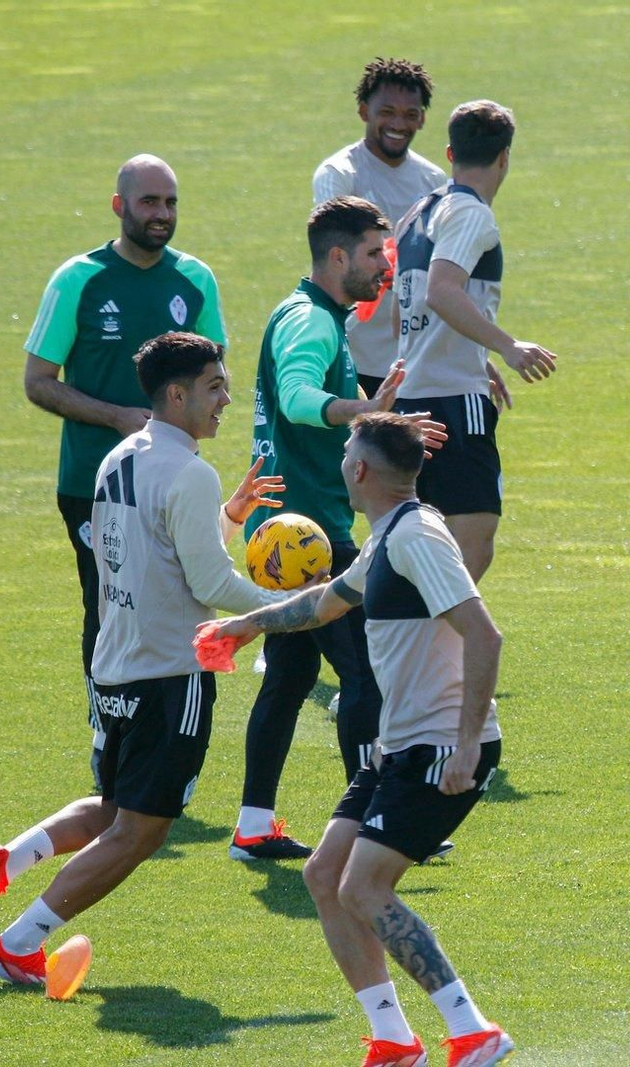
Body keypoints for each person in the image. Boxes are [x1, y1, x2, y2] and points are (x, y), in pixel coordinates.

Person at [0, 333, 286, 981]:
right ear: (177, 393)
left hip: (113, 668)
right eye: (215, 386)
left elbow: (155, 547)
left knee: (112, 805)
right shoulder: (189, 470)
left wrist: (229, 515)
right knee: (142, 831)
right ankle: (17, 944)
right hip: (170, 673)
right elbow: (211, 583)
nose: (225, 399)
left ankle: (5, 860)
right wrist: (297, 608)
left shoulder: (119, 458)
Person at [207, 412, 513, 1067]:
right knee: (325, 875)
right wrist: (244, 626)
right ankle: (396, 1041)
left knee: (365, 887)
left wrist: (464, 744)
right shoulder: (387, 536)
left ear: (361, 469)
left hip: (439, 747)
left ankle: (472, 1030)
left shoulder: (418, 537)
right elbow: (321, 605)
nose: (343, 459)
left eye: (348, 449)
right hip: (399, 747)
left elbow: (485, 635)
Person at [232, 196, 440, 860]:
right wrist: (365, 408)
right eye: (377, 252)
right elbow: (295, 399)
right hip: (310, 537)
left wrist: (381, 424)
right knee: (364, 676)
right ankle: (379, 824)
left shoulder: (310, 316)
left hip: (287, 531)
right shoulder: (311, 324)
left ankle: (254, 824)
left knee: (290, 676)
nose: (386, 265)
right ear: (338, 255)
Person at [23, 154, 227, 786]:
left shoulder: (194, 281)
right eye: (148, 203)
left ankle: (168, 748)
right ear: (119, 206)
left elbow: (210, 375)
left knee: (177, 601)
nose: (161, 215)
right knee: (110, 604)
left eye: (170, 203)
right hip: (93, 483)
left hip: (169, 480)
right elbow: (38, 382)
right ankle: (106, 732)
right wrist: (115, 416)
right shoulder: (79, 280)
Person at [393, 99, 558, 581]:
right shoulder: (471, 215)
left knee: (416, 540)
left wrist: (477, 354)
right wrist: (506, 346)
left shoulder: (417, 213)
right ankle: (420, 648)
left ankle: (406, 644)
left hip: (409, 399)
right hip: (451, 403)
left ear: (449, 153)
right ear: (504, 157)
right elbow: (442, 291)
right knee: (472, 542)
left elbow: (407, 309)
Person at [312, 57, 447, 402]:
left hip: (413, 359)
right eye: (387, 111)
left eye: (410, 114)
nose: (398, 123)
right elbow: (337, 254)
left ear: (423, 118)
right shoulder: (340, 174)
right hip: (349, 353)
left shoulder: (433, 182)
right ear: (363, 111)